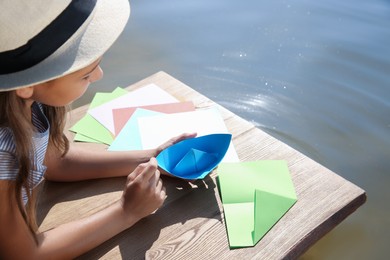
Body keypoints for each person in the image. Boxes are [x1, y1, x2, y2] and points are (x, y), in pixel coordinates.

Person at [0, 0, 196, 258]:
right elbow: (23, 254)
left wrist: (154, 157)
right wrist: (127, 211)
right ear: (26, 85)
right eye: (85, 74)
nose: (99, 75)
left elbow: (58, 163)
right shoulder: (4, 153)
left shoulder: (25, 103)